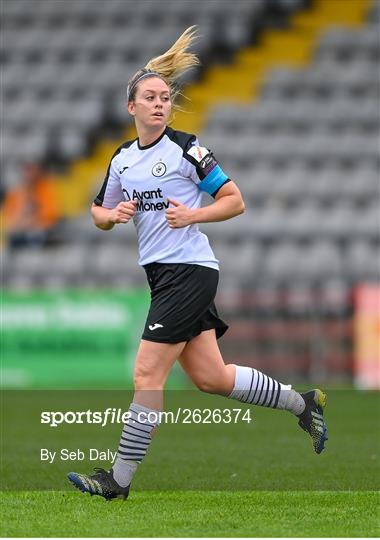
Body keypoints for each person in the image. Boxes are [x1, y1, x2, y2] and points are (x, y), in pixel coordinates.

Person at [68, 26, 328, 501]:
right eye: (149, 97)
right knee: (213, 378)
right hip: (163, 275)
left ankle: (117, 481)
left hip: (189, 270)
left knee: (147, 375)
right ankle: (302, 403)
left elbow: (235, 200)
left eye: (165, 97)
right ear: (131, 107)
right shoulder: (122, 159)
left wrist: (194, 214)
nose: (159, 103)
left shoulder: (188, 149)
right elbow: (97, 213)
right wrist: (113, 214)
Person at [2, 162, 61, 248]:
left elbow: (51, 219)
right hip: (19, 235)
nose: (29, 173)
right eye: (27, 169)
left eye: (32, 169)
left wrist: (34, 222)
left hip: (41, 235)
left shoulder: (46, 188)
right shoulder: (16, 192)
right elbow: (10, 222)